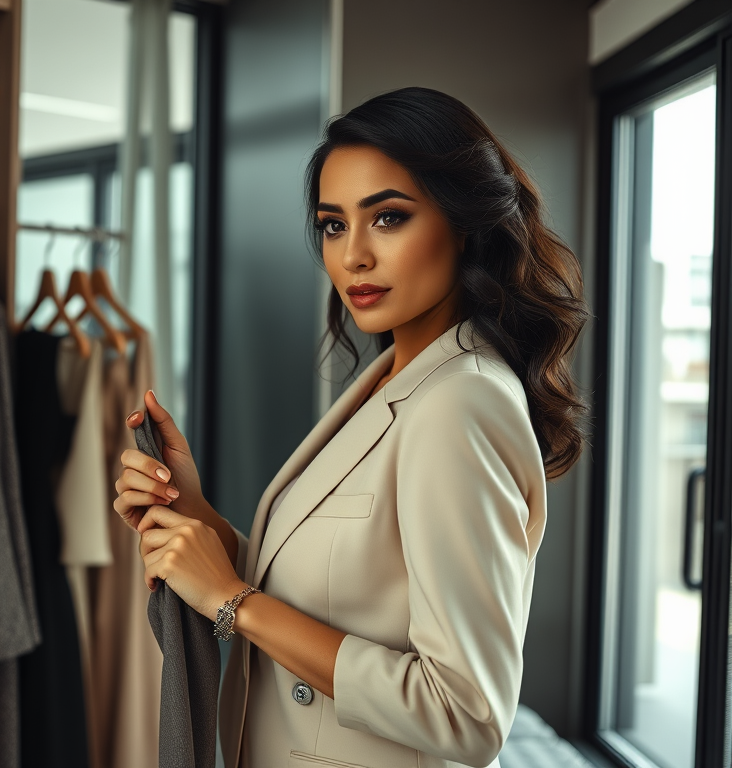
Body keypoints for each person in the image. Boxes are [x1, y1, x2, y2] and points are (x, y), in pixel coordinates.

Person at [114, 86, 589, 768]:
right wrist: (200, 520)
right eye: (334, 225)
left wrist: (230, 599)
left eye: (388, 218)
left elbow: (467, 713)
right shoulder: (396, 378)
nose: (353, 256)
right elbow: (344, 594)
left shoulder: (461, 403)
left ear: (464, 225)